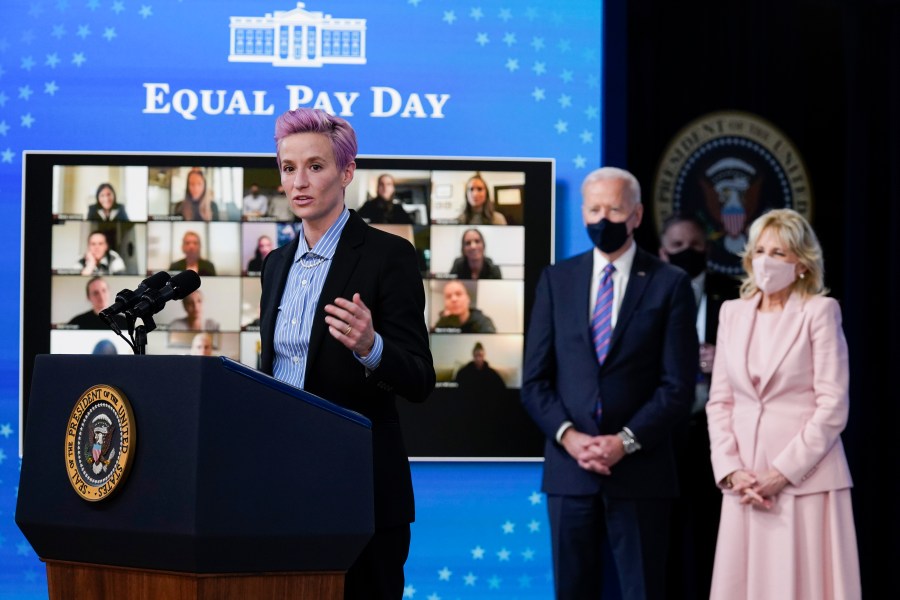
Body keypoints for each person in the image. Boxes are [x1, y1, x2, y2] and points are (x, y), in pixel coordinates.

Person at [258, 107, 435, 600]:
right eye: (288, 168)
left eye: (315, 166)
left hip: (361, 495)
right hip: (284, 490)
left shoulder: (388, 256)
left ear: (347, 171)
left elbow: (420, 378)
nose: (299, 181)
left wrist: (371, 347)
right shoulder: (275, 265)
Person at [521, 166, 698, 600]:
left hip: (641, 471)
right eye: (595, 208)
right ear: (583, 212)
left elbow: (677, 385)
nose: (604, 219)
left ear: (636, 215)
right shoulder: (556, 280)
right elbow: (535, 380)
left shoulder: (669, 283)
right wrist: (571, 438)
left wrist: (625, 441)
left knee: (643, 590)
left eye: (614, 209)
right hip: (570, 472)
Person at [705, 208, 860, 599]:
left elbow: (832, 407)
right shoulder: (732, 314)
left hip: (803, 482)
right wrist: (731, 470)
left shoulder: (820, 313)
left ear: (802, 265)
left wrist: (781, 473)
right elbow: (720, 401)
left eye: (778, 253)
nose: (765, 262)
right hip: (745, 485)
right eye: (759, 251)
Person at [657, 214, 741, 600]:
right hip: (662, 433)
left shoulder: (735, 292)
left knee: (715, 534)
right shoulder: (650, 294)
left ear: (707, 249)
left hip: (721, 435)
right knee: (663, 539)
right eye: (677, 247)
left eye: (695, 246)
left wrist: (724, 357)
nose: (687, 253)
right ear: (662, 252)